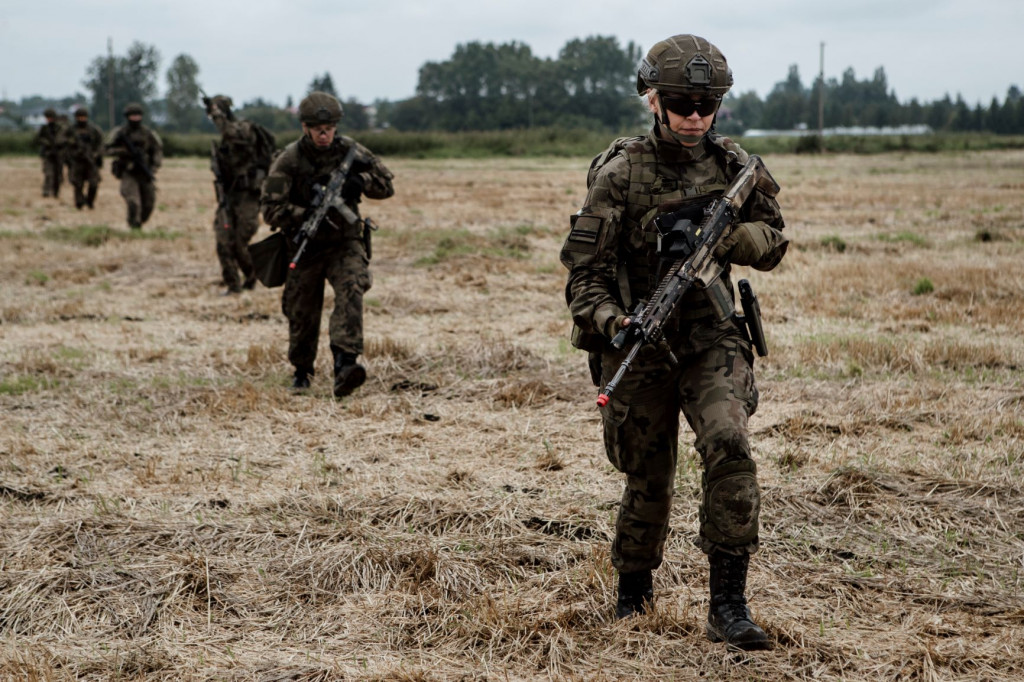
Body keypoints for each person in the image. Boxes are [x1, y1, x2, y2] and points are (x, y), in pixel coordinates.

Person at [559, 34, 788, 650]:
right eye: (683, 102)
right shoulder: (620, 174)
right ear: (653, 100)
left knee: (730, 447)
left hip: (711, 335)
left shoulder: (735, 167)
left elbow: (774, 238)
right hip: (641, 339)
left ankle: (729, 605)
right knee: (649, 475)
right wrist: (615, 323)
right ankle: (633, 595)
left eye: (707, 103)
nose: (695, 116)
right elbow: (585, 277)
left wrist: (727, 242)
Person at [260, 91, 394, 396]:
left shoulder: (350, 151)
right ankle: (302, 370)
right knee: (302, 310)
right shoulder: (289, 159)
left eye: (330, 128)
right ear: (305, 127)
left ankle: (345, 365)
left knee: (351, 292)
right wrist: (304, 210)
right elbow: (269, 208)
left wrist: (360, 184)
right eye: (318, 129)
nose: (325, 134)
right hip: (304, 244)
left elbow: (387, 185)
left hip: (344, 242)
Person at [204, 94, 277, 294]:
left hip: (248, 198)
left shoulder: (245, 129)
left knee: (239, 243)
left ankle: (252, 275)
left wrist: (217, 114)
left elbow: (231, 133)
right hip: (229, 197)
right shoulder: (225, 142)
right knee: (223, 242)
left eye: (218, 111)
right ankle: (233, 286)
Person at [104, 102, 162, 229]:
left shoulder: (148, 133)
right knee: (133, 201)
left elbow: (157, 149)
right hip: (128, 171)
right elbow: (106, 149)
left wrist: (154, 166)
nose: (135, 118)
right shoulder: (120, 132)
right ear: (127, 117)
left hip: (144, 171)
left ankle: (139, 222)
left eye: (137, 116)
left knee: (148, 204)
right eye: (132, 116)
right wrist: (122, 152)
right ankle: (133, 224)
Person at [61, 107, 104, 210]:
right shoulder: (71, 130)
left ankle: (90, 201)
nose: (82, 119)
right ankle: (79, 202)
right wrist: (72, 142)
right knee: (77, 184)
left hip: (90, 161)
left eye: (83, 117)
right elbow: (61, 140)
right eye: (79, 117)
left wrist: (96, 154)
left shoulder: (94, 130)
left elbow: (101, 144)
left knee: (94, 183)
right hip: (76, 161)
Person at [33, 108, 65, 198]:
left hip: (59, 155)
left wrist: (59, 143)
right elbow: (37, 139)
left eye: (50, 117)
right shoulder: (44, 128)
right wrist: (46, 142)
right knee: (48, 173)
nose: (49, 119)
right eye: (47, 118)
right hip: (48, 154)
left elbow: (65, 139)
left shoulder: (60, 128)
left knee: (58, 175)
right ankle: (46, 190)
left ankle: (56, 192)